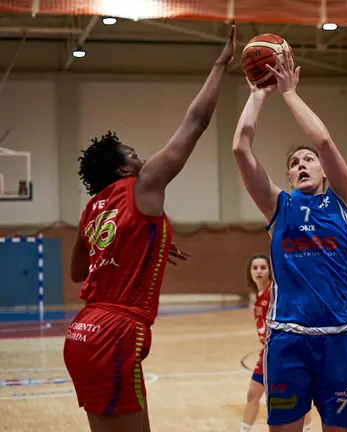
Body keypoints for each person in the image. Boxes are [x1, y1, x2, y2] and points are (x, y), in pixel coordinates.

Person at [62, 22, 236, 432]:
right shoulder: (142, 184)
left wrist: (143, 243)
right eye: (134, 154)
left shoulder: (92, 209)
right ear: (122, 168)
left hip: (82, 333)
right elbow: (195, 124)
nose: (142, 159)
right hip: (115, 333)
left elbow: (77, 272)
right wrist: (220, 65)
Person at [232, 51, 347, 432]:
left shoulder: (345, 203)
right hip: (288, 339)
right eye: (294, 163)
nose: (302, 164)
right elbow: (241, 149)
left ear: (324, 168)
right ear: (289, 177)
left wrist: (289, 92)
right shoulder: (279, 206)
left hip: (340, 339)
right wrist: (258, 94)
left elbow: (322, 138)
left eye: (308, 160)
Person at [240, 255, 312, 432]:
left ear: (270, 271)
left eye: (263, 267)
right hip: (267, 353)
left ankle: (308, 428)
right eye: (255, 268)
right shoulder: (257, 295)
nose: (259, 271)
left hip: (283, 352)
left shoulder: (274, 290)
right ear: (249, 272)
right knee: (253, 394)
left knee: (294, 395)